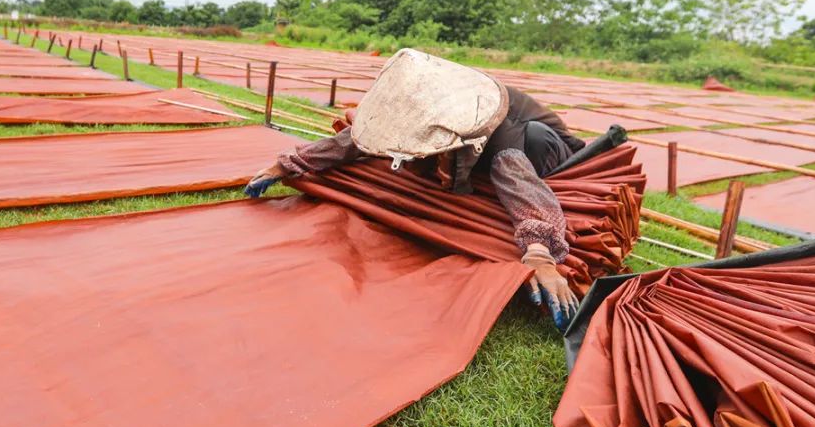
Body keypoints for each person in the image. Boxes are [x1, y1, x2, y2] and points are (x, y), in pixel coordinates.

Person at [244, 49, 585, 329]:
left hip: (545, 146)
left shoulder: (501, 142)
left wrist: (540, 254)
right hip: (482, 144)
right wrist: (289, 163)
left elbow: (524, 189)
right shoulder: (432, 101)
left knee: (523, 151)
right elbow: (359, 139)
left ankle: (490, 164)